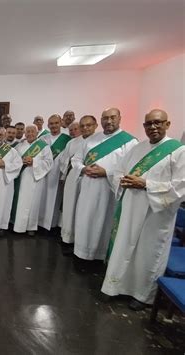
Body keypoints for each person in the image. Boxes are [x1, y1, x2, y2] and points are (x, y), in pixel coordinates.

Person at [101, 109, 184, 310]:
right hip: (129, 208)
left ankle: (142, 294)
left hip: (156, 214)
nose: (153, 127)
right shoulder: (137, 148)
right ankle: (116, 286)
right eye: (148, 124)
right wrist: (124, 181)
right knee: (124, 246)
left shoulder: (179, 151)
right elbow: (119, 171)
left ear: (167, 124)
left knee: (147, 252)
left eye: (158, 122)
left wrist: (146, 184)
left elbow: (181, 185)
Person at [72, 108, 137, 261]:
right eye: (105, 118)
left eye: (112, 117)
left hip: (110, 190)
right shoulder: (90, 139)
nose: (108, 121)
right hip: (88, 187)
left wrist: (106, 172)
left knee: (103, 220)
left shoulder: (130, 142)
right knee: (85, 218)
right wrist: (83, 168)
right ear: (100, 120)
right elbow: (76, 159)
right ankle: (81, 252)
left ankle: (100, 254)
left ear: (120, 118)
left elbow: (131, 169)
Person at [59, 117, 97, 254]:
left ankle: (83, 242)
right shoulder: (72, 142)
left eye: (88, 125)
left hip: (92, 180)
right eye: (73, 129)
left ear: (95, 125)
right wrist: (63, 176)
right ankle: (68, 238)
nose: (83, 129)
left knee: (86, 210)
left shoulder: (99, 141)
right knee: (70, 207)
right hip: (73, 177)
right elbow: (65, 161)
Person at [11, 125, 53, 236]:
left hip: (36, 179)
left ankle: (31, 227)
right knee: (20, 202)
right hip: (21, 178)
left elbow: (49, 162)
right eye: (28, 132)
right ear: (25, 133)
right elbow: (12, 161)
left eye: (32, 132)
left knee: (33, 203)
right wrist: (21, 161)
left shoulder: (44, 146)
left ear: (36, 133)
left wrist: (34, 162)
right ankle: (18, 226)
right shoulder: (19, 146)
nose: (30, 134)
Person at [37, 114, 71, 231]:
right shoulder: (42, 139)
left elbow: (68, 158)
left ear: (61, 123)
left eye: (56, 123)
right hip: (42, 173)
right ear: (48, 125)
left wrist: (64, 174)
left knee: (55, 198)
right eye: (51, 124)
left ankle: (52, 224)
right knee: (41, 197)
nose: (54, 126)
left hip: (57, 173)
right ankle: (39, 223)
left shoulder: (67, 139)